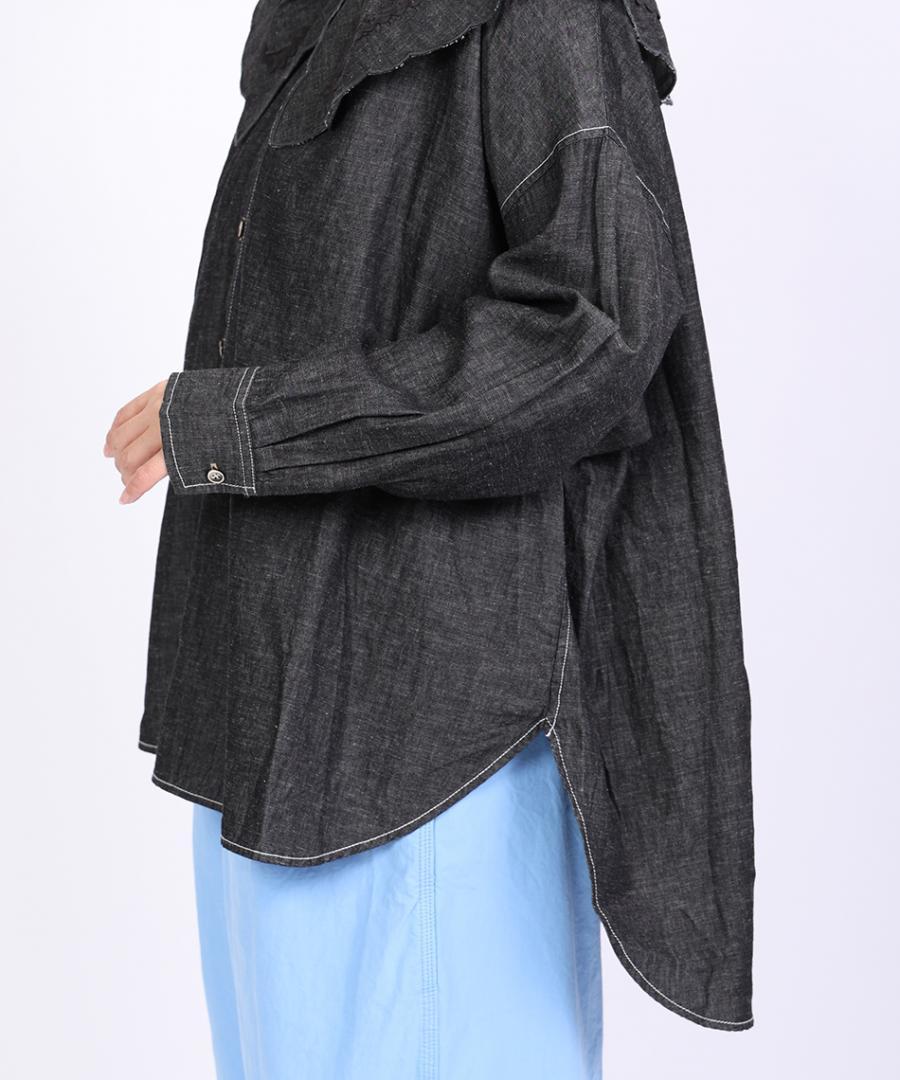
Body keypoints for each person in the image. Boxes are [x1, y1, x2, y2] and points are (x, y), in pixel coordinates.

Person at [103, 0, 755, 1075]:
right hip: (274, 732)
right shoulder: (321, 19)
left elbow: (591, 332)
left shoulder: (545, 14)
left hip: (431, 748)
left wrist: (252, 424)